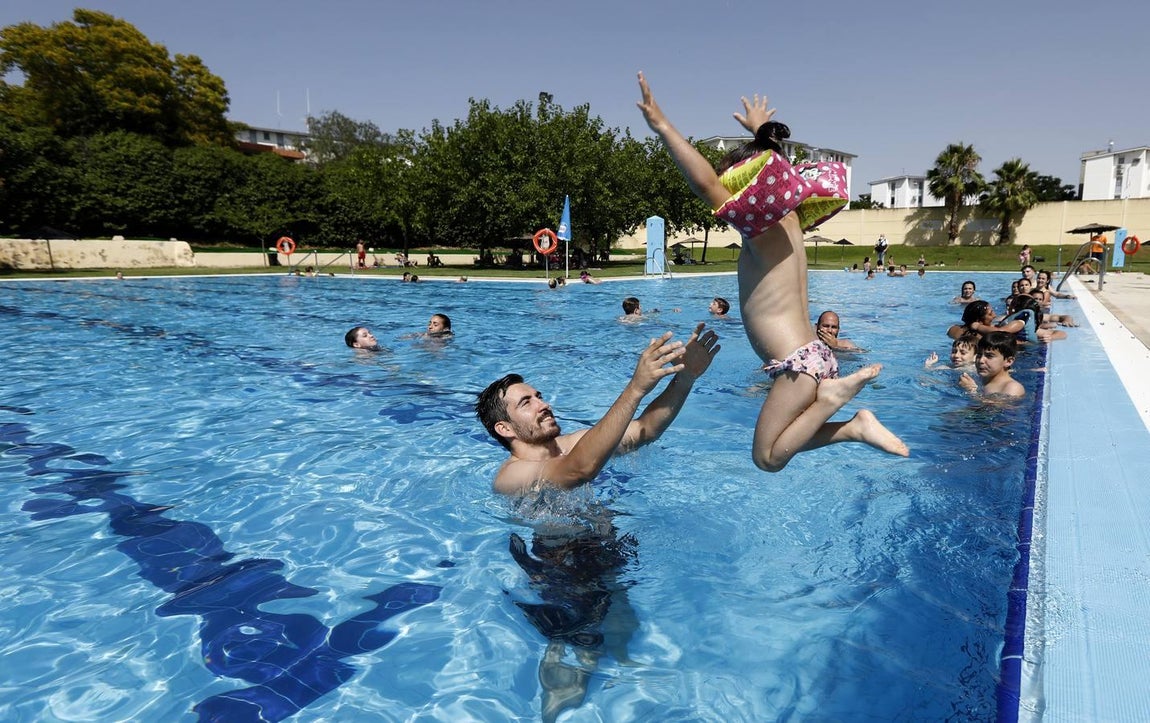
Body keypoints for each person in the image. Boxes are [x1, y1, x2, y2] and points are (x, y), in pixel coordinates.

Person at [636, 72, 907, 470]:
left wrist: (662, 126)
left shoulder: (760, 231)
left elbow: (705, 183)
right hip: (813, 358)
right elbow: (775, 172)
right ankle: (852, 426)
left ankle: (850, 419)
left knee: (766, 458)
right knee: (781, 445)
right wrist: (762, 133)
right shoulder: (792, 219)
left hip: (797, 361)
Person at [476, 322, 720, 495]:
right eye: (526, 402)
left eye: (538, 397)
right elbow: (578, 470)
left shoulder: (575, 443)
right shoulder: (510, 477)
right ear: (504, 428)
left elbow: (646, 429)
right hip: (558, 564)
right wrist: (635, 388)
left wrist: (686, 377)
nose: (544, 405)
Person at [959, 332, 1025, 399]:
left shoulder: (1012, 388)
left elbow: (995, 408)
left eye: (989, 356)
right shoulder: (979, 379)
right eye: (979, 355)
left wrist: (972, 391)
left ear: (1008, 361)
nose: (981, 360)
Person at [947, 300, 1026, 340]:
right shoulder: (983, 337)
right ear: (979, 320)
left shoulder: (953, 329)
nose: (994, 315)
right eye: (990, 314)